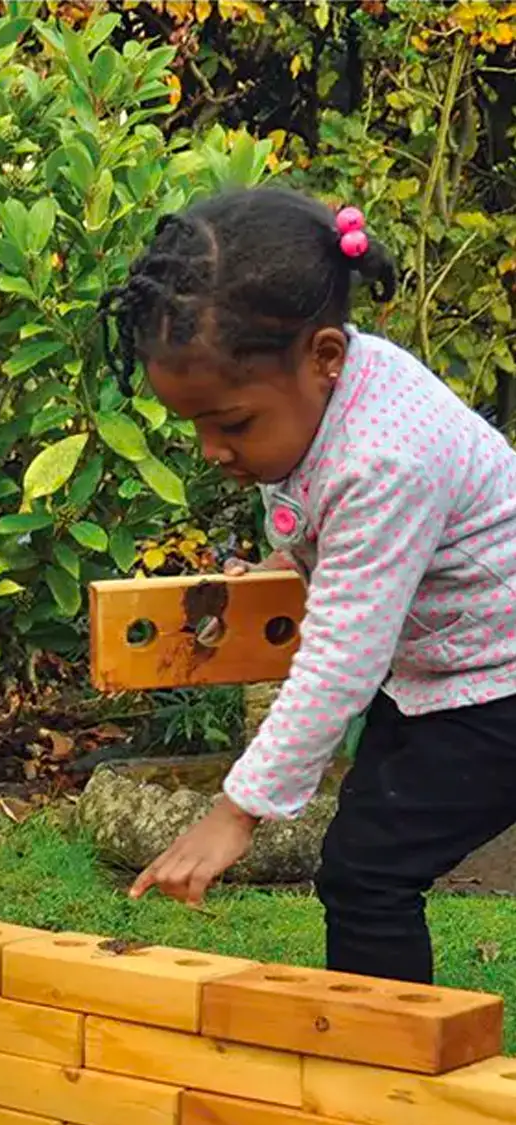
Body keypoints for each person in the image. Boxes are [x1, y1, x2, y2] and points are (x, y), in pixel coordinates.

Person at [103, 186, 516, 985]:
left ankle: (385, 1079)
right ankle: (376, 1056)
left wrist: (236, 812)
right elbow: (331, 535)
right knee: (363, 866)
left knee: (369, 874)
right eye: (194, 426)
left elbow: (338, 664)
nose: (212, 450)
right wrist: (281, 569)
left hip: (500, 683)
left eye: (231, 424)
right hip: (444, 671)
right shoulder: (322, 395)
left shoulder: (383, 459)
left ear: (325, 355)